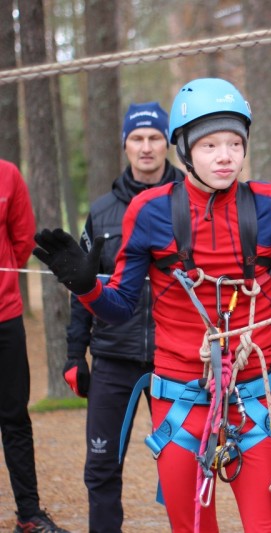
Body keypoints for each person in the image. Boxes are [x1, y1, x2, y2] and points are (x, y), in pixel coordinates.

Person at [33, 77, 271, 532]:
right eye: (210, 144)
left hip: (251, 401)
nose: (226, 156)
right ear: (184, 150)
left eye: (235, 142)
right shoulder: (150, 211)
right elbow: (120, 306)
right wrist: (85, 286)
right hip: (180, 403)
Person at [63, 101, 184, 533]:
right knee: (101, 469)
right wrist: (75, 356)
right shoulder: (100, 213)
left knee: (181, 473)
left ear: (168, 142)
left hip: (177, 362)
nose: (146, 147)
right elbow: (83, 290)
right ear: (125, 145)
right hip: (113, 359)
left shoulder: (189, 202)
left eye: (155, 138)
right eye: (137, 138)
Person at [0, 159, 69, 532]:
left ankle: (28, 514)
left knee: (14, 418)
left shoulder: (8, 175)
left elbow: (22, 240)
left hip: (5, 316)